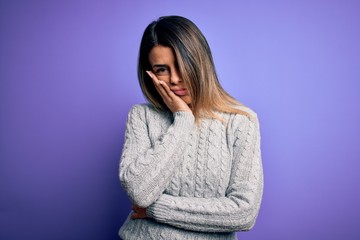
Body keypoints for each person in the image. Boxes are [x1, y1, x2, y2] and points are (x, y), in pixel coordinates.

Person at [119, 15, 263, 240]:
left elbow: (244, 214)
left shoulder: (241, 121)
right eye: (161, 69)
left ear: (199, 62)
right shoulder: (142, 116)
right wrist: (183, 120)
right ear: (150, 74)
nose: (175, 79)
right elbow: (139, 192)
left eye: (181, 64)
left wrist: (155, 210)